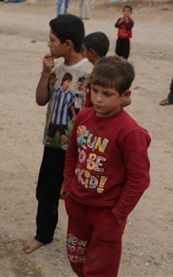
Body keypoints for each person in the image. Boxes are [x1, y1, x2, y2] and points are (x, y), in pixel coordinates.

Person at [63, 56, 151, 277]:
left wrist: (117, 214)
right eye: (95, 91)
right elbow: (73, 152)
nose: (99, 99)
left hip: (107, 214)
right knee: (77, 260)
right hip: (78, 205)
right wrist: (69, 187)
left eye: (107, 94)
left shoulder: (130, 133)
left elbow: (139, 179)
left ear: (125, 96)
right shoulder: (83, 117)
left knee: (100, 269)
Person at [24, 14, 92, 254]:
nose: (48, 44)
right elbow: (41, 100)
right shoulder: (56, 70)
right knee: (46, 190)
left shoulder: (89, 73)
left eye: (52, 40)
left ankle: (85, 240)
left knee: (79, 195)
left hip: (79, 149)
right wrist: (45, 73)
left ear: (68, 44)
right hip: (53, 144)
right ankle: (44, 234)